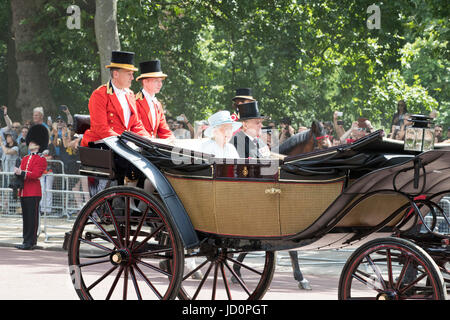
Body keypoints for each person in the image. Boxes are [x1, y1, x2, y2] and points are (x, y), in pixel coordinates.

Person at [81, 51, 150, 147]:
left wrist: (149, 140)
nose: (132, 78)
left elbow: (136, 125)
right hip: (102, 145)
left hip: (123, 144)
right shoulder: (99, 94)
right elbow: (101, 128)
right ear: (116, 74)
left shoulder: (130, 94)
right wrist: (124, 142)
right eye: (129, 74)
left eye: (132, 74)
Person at [14, 124, 48, 250]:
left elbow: (36, 174)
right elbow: (21, 174)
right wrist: (17, 174)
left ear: (38, 145)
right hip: (24, 191)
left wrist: (21, 173)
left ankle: (31, 241)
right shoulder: (25, 158)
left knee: (32, 218)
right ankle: (25, 240)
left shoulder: (41, 159)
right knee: (26, 218)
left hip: (33, 192)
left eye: (32, 142)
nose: (30, 144)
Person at [135, 60, 173, 139]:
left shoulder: (157, 104)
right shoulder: (134, 102)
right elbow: (136, 128)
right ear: (145, 82)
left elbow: (164, 131)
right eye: (156, 81)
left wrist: (176, 143)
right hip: (136, 147)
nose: (160, 84)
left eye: (161, 81)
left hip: (151, 147)